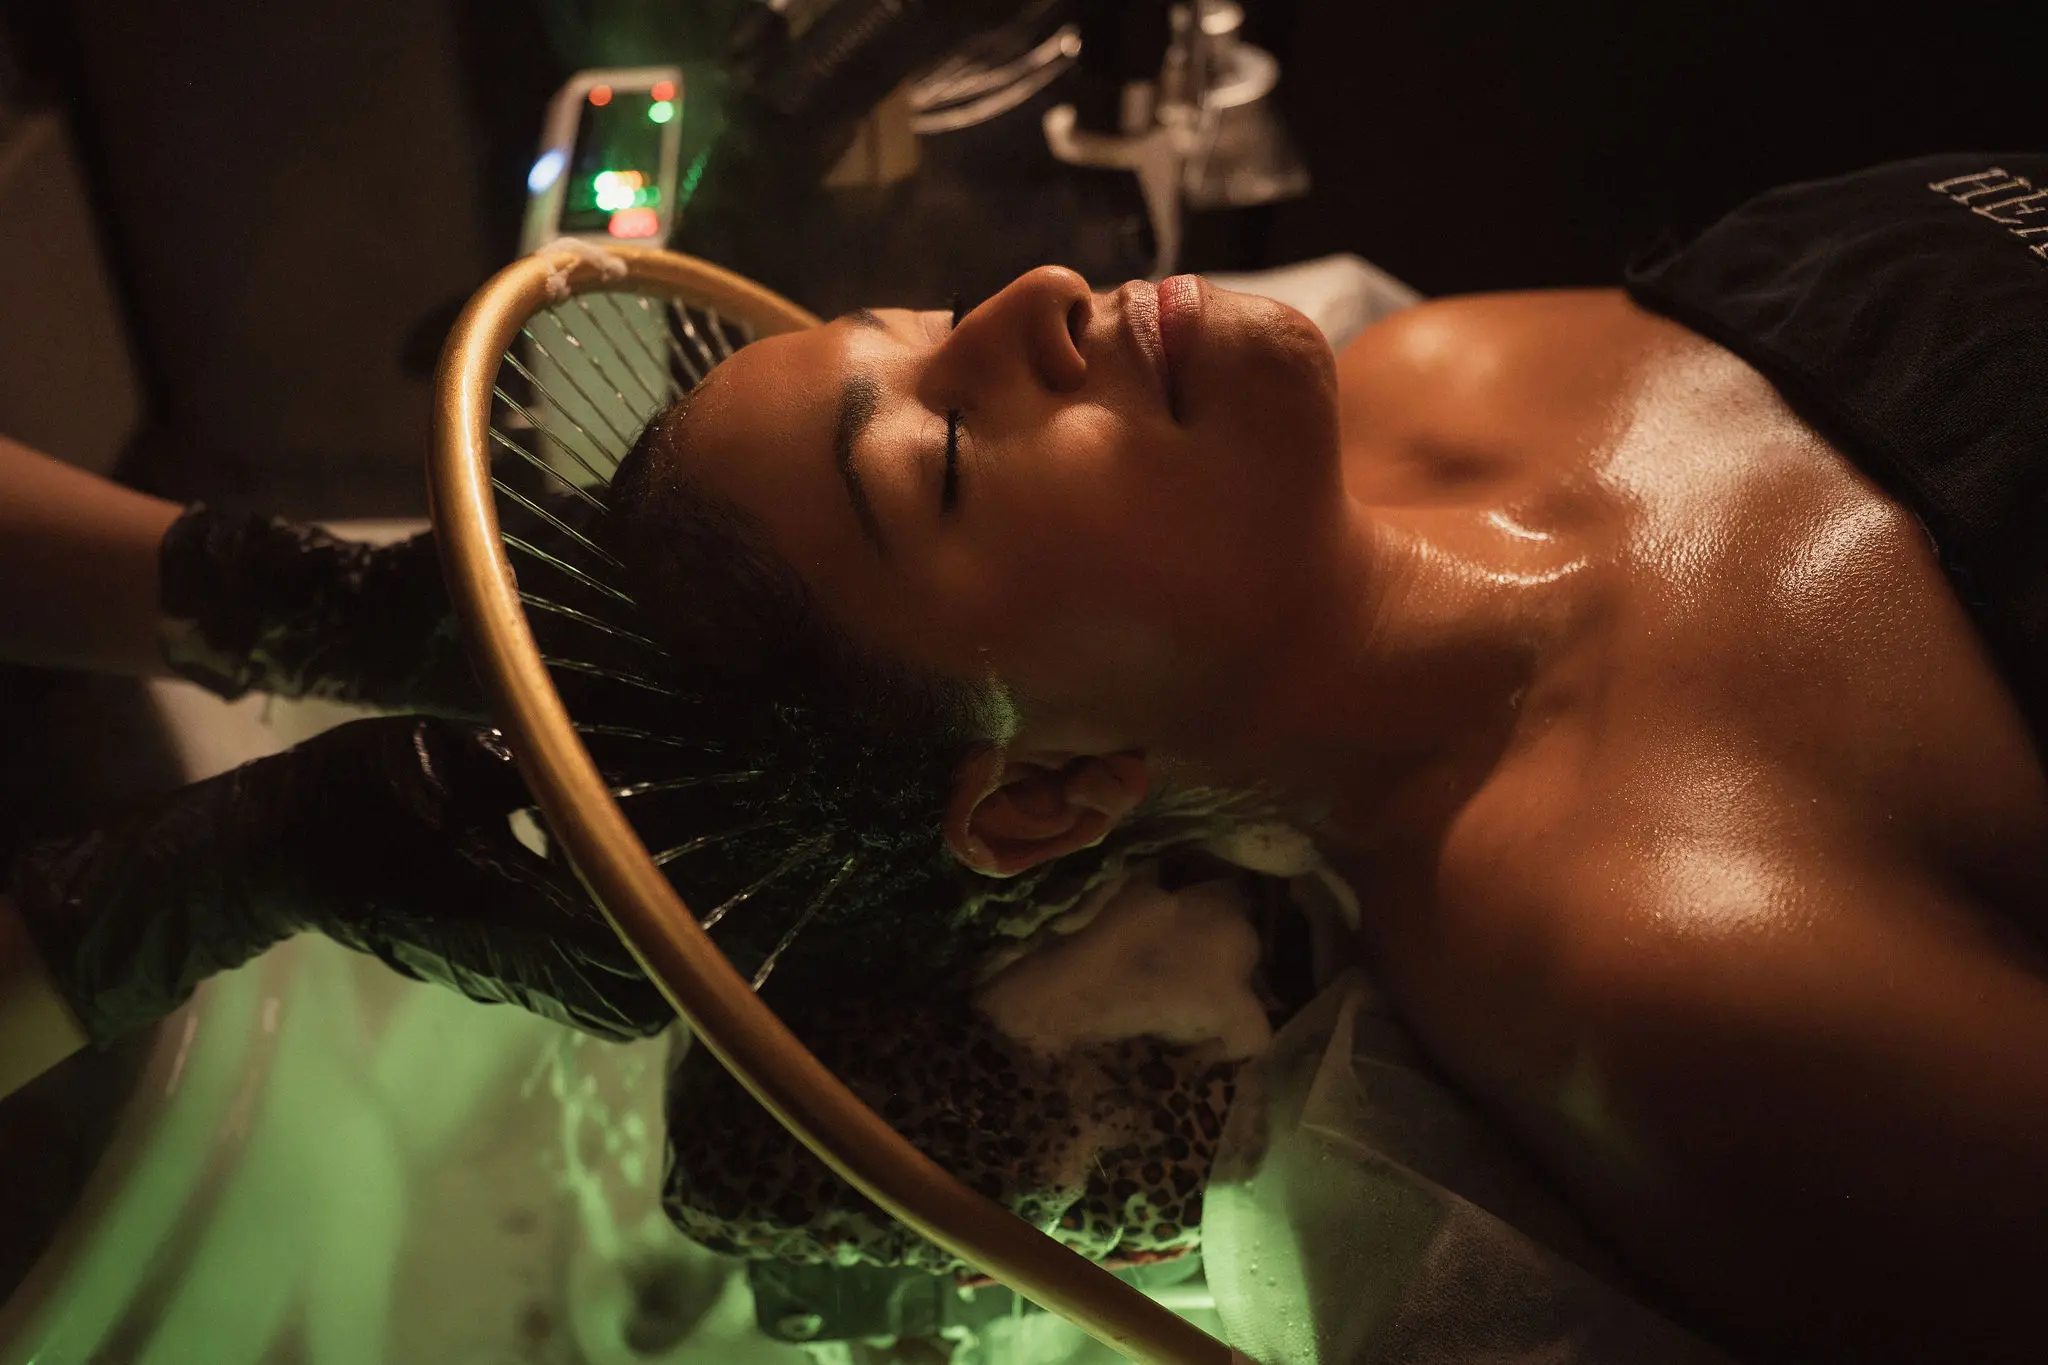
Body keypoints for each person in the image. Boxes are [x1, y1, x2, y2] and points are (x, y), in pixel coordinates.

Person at [593, 155, 2048, 1365]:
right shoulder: (1673, 952)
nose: (1030, 298)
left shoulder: (1429, 369)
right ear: (1042, 792)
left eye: (924, 324)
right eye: (948, 458)